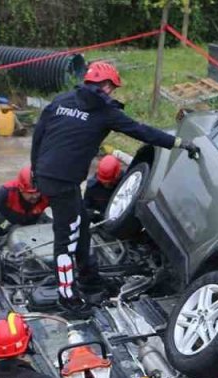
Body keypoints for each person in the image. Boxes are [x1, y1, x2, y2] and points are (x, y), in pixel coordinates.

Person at [30, 61, 200, 314]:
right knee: (66, 239)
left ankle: (89, 278)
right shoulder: (104, 111)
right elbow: (142, 131)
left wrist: (35, 168)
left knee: (82, 225)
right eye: (113, 88)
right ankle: (68, 298)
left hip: (49, 174)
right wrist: (179, 143)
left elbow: (38, 135)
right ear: (107, 86)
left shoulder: (62, 100)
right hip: (62, 183)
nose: (113, 93)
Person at [0, 166, 49, 231]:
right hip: (4, 228)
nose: (35, 196)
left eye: (37, 192)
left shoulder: (47, 193)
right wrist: (6, 226)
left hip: (29, 228)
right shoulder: (9, 190)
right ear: (21, 189)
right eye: (30, 193)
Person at [82, 154, 123, 222]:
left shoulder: (126, 184)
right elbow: (86, 206)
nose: (106, 184)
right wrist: (90, 214)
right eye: (104, 181)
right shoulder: (93, 186)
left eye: (109, 182)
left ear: (117, 175)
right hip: (100, 221)